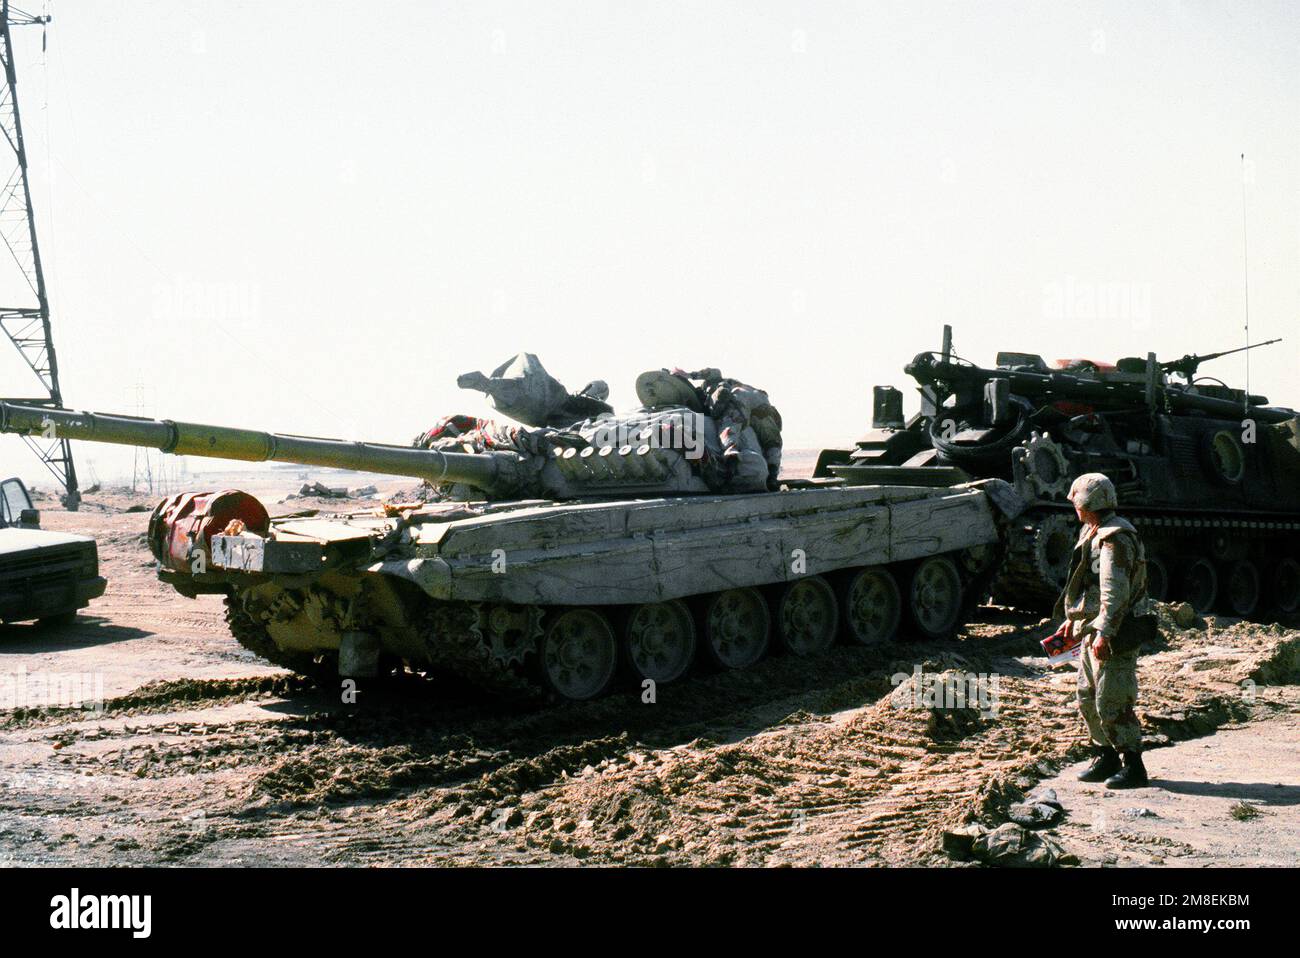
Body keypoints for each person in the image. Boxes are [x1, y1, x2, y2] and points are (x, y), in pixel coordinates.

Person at [1051, 472, 1151, 789]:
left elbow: (1115, 592)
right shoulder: (1093, 532)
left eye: (1076, 501)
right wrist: (1076, 618)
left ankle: (1133, 765)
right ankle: (1105, 756)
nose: (1074, 507)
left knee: (1112, 700)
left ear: (1087, 502)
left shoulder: (1115, 538)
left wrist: (1105, 632)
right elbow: (1090, 585)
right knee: (1087, 696)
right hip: (1094, 629)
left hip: (1115, 631)